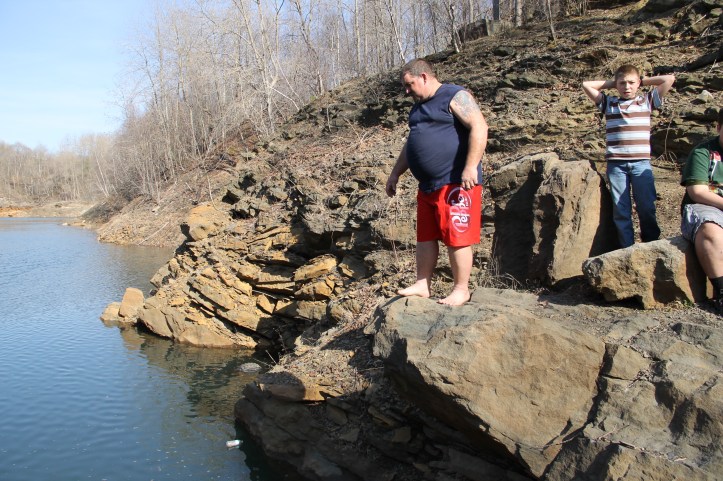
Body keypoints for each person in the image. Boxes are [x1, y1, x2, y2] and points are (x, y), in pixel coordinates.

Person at [385, 59, 488, 306]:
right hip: (428, 187)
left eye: (409, 84)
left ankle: (461, 289)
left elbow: (479, 126)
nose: (406, 91)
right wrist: (395, 173)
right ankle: (423, 284)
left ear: (423, 76)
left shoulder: (454, 95)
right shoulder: (418, 108)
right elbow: (412, 143)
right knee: (425, 237)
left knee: (457, 237)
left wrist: (470, 166)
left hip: (455, 182)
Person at [582, 65, 675, 248]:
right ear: (616, 85)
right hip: (617, 165)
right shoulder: (609, 104)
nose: (627, 87)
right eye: (622, 83)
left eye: (631, 83)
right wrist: (613, 83)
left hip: (641, 164)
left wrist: (642, 81)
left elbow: (669, 79)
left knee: (646, 207)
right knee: (621, 210)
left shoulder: (646, 101)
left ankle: (651, 245)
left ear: (638, 83)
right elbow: (587, 85)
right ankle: (627, 249)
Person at [680, 107, 723, 312]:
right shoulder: (703, 152)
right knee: (711, 231)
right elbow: (697, 192)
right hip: (707, 207)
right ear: (719, 127)